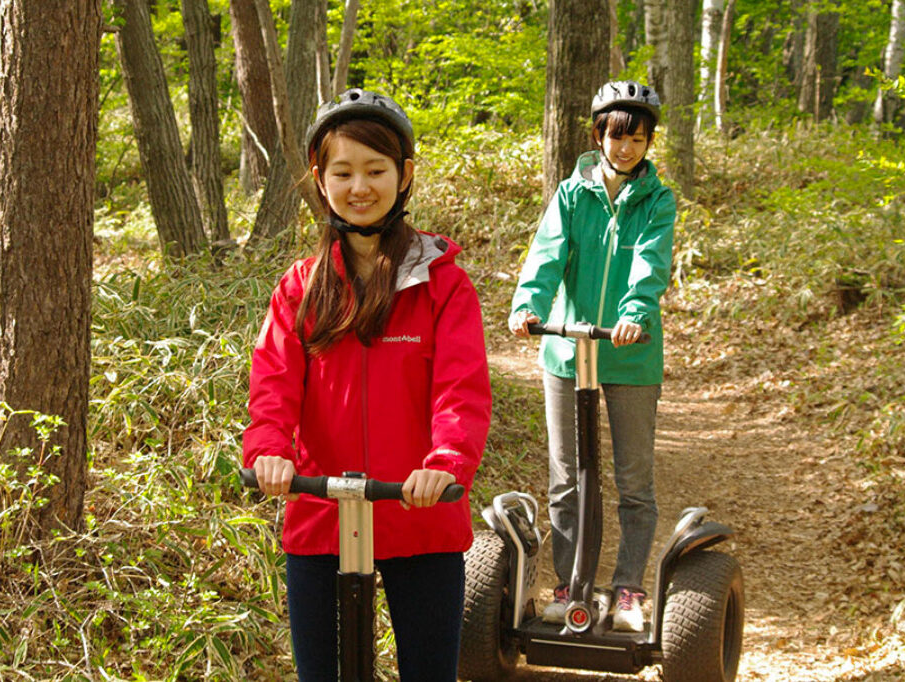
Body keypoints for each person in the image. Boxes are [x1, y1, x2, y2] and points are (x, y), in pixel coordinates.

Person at [243, 88, 491, 681]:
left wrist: (447, 462)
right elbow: (273, 385)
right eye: (344, 171)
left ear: (404, 176)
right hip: (322, 513)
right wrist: (269, 450)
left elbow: (460, 390)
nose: (361, 187)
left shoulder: (442, 286)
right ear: (319, 178)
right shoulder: (300, 287)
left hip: (418, 510)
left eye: (376, 170)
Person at [508, 81, 675, 633]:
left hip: (629, 353)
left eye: (638, 139)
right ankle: (569, 585)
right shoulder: (570, 193)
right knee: (565, 479)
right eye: (617, 136)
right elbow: (547, 253)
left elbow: (650, 266)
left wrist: (634, 314)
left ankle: (627, 591)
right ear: (599, 134)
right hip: (566, 349)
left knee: (633, 480)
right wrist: (528, 305)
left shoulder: (657, 199)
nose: (626, 148)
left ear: (648, 142)